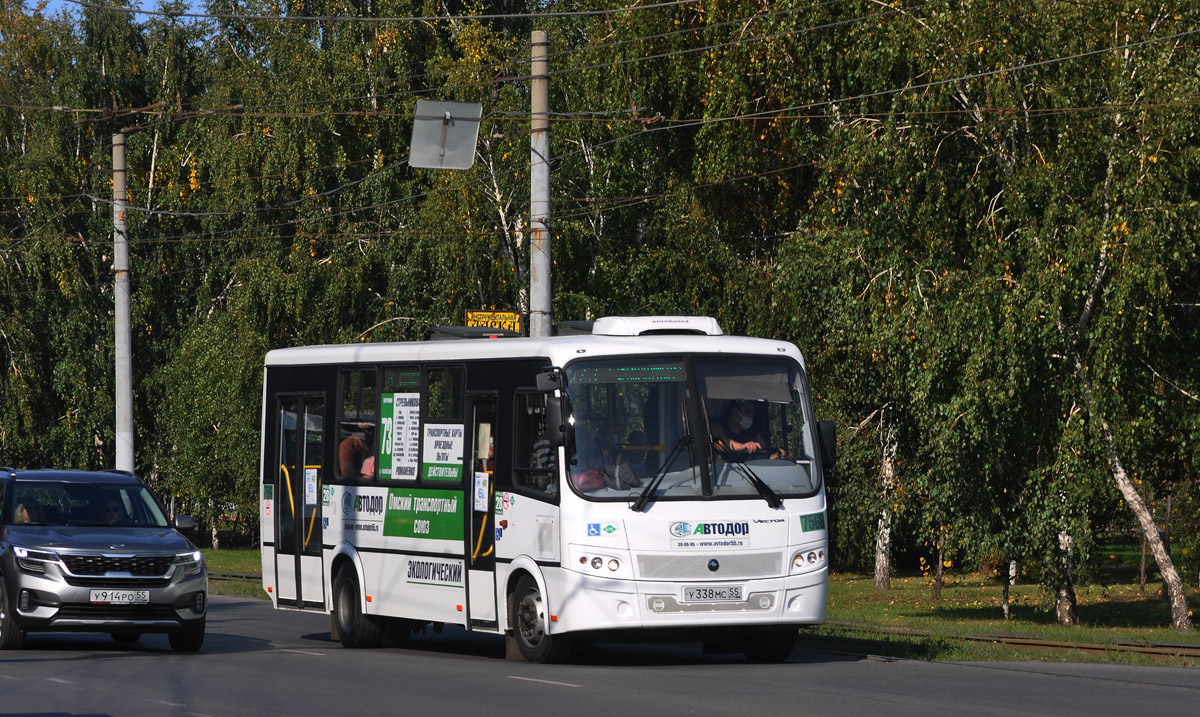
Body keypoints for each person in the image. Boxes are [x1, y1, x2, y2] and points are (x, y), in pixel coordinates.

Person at [711, 400, 785, 459]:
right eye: (747, 412)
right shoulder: (718, 428)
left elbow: (764, 453)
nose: (750, 416)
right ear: (734, 411)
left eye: (752, 413)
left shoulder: (753, 436)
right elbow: (718, 444)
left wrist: (776, 455)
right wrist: (743, 446)